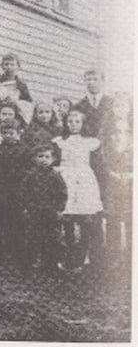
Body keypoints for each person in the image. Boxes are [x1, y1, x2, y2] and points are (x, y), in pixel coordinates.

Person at [53, 111, 104, 271]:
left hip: (84, 181)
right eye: (70, 121)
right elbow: (55, 159)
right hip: (66, 177)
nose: (73, 124)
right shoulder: (60, 141)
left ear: (82, 124)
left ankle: (83, 257)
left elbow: (97, 163)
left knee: (84, 219)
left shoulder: (90, 142)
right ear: (66, 123)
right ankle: (68, 255)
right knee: (66, 218)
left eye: (77, 121)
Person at [18, 144, 67, 271]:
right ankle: (33, 261)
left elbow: (62, 194)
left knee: (52, 236)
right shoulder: (30, 176)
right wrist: (25, 207)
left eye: (47, 157)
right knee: (33, 236)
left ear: (53, 159)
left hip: (50, 211)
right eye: (40, 156)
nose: (44, 159)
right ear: (34, 159)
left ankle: (52, 262)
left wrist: (59, 209)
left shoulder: (56, 176)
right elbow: (23, 193)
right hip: (34, 211)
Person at [99, 101, 132, 262]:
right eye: (117, 105)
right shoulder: (107, 129)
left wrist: (132, 173)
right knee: (113, 216)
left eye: (123, 105)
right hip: (113, 178)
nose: (120, 109)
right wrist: (110, 172)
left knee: (131, 216)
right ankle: (114, 255)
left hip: (131, 178)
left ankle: (131, 256)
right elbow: (102, 153)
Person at [0, 119, 27, 255]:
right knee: (1, 218)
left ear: (18, 133)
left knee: (17, 220)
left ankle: (17, 248)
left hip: (19, 189)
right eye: (5, 133)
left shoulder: (24, 150)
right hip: (3, 189)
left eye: (11, 133)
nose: (8, 136)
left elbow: (27, 171)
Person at [0, 53, 33, 123]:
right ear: (2, 66)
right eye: (6, 64)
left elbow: (28, 102)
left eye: (12, 64)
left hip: (15, 115)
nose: (9, 67)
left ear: (18, 67)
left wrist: (16, 102)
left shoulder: (21, 84)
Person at [74, 69, 113, 137]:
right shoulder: (78, 106)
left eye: (95, 79)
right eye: (88, 79)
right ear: (84, 82)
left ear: (103, 81)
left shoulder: (112, 103)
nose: (92, 82)